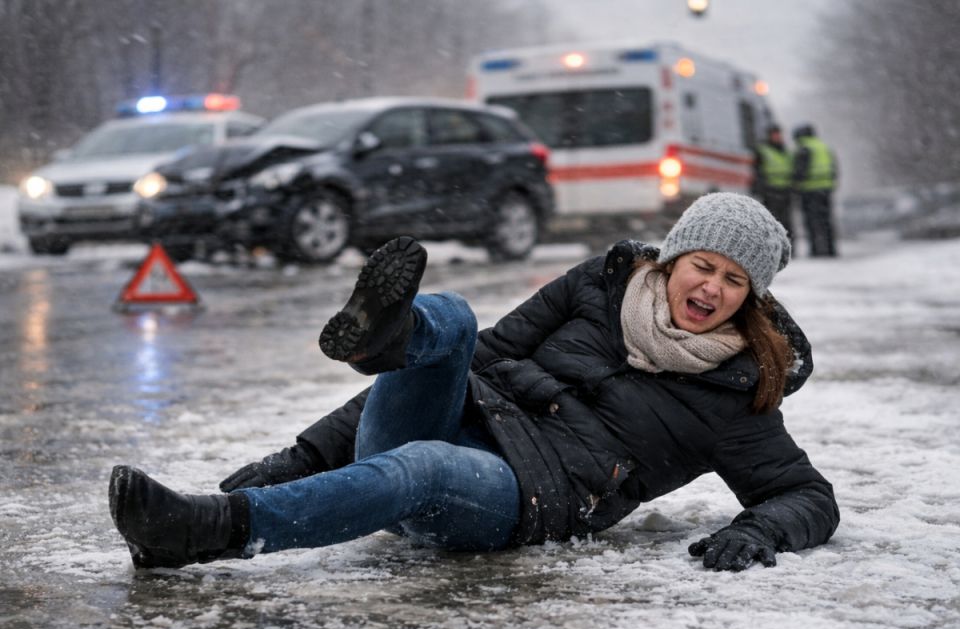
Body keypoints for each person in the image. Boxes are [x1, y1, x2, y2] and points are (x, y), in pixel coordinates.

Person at [109, 193, 840, 573]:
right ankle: (385, 339)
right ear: (673, 258)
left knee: (420, 466)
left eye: (734, 280)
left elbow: (807, 496)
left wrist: (759, 530)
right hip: (469, 417)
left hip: (531, 496)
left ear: (752, 297)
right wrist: (300, 459)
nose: (711, 287)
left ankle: (207, 531)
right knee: (453, 321)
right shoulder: (599, 287)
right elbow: (487, 356)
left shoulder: (736, 389)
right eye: (703, 265)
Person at [792, 124, 839, 257]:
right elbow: (834, 168)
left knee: (812, 222)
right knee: (827, 221)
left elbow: (800, 172)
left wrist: (795, 186)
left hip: (809, 191)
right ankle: (830, 249)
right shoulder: (824, 147)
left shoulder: (804, 149)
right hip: (825, 190)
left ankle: (816, 250)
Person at [752, 124, 795, 249]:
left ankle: (789, 247)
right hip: (770, 191)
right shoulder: (763, 150)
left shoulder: (786, 151)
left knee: (787, 222)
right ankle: (774, 247)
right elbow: (757, 171)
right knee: (772, 221)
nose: (777, 137)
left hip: (785, 191)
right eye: (775, 134)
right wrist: (760, 188)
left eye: (778, 134)